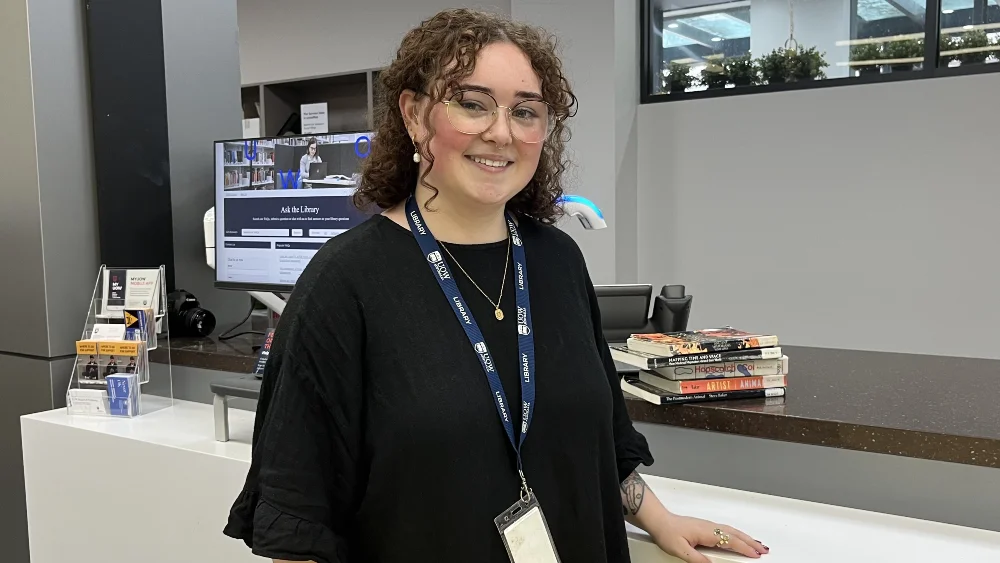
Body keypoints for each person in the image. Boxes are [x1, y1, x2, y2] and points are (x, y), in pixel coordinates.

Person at [223, 8, 769, 563]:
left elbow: (600, 441)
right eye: (471, 103)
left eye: (525, 112)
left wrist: (660, 518)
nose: (501, 132)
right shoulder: (341, 284)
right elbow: (299, 523)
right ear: (414, 116)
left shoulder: (558, 261)